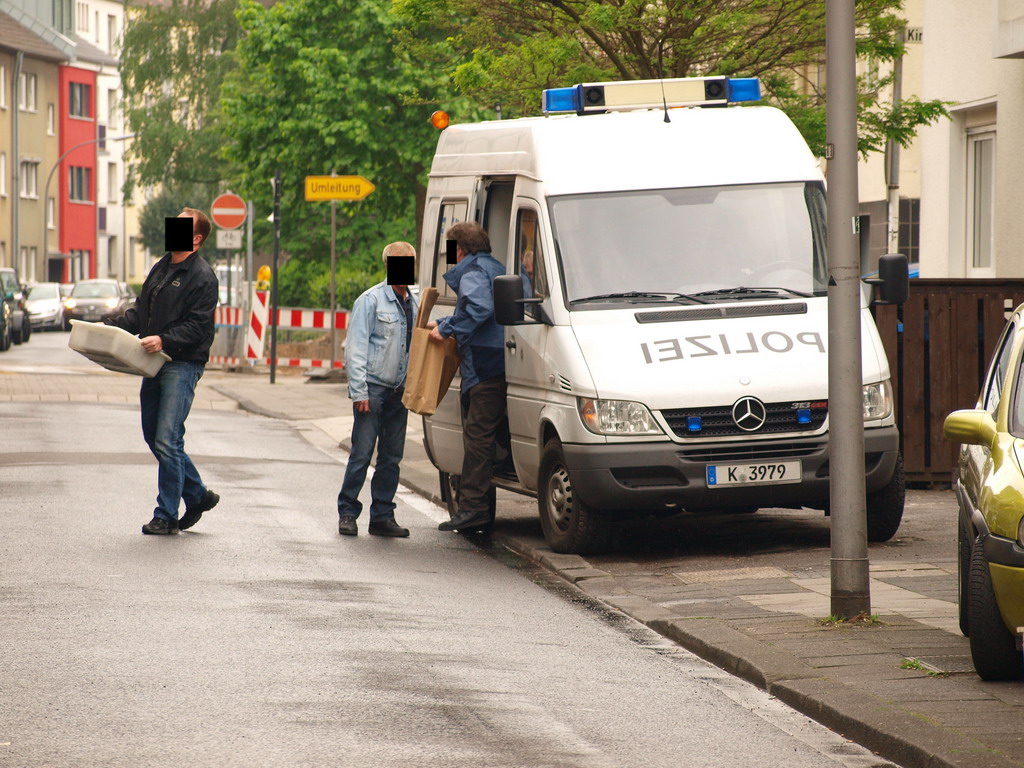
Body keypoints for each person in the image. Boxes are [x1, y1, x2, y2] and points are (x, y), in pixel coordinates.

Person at [106, 208, 220, 535]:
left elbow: (199, 326)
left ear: (196, 238)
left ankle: (166, 514)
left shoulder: (202, 276)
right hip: (153, 362)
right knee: (153, 435)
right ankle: (196, 495)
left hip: (181, 364)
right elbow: (142, 313)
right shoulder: (162, 267)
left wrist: (165, 339)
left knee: (168, 439)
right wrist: (106, 328)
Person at [428, 222, 507, 532]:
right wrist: (448, 320)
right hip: (498, 362)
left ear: (459, 249)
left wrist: (448, 329)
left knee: (477, 441)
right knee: (484, 439)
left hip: (484, 368)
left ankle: (473, 509)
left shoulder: (472, 271)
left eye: (451, 251)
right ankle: (477, 508)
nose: (451, 257)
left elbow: (479, 308)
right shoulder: (494, 267)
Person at [337, 242, 419, 537]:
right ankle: (347, 512)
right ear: (387, 265)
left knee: (392, 456)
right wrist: (359, 392)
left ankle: (382, 515)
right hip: (373, 387)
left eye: (409, 262)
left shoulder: (417, 301)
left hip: (401, 390)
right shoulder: (370, 301)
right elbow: (355, 348)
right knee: (361, 452)